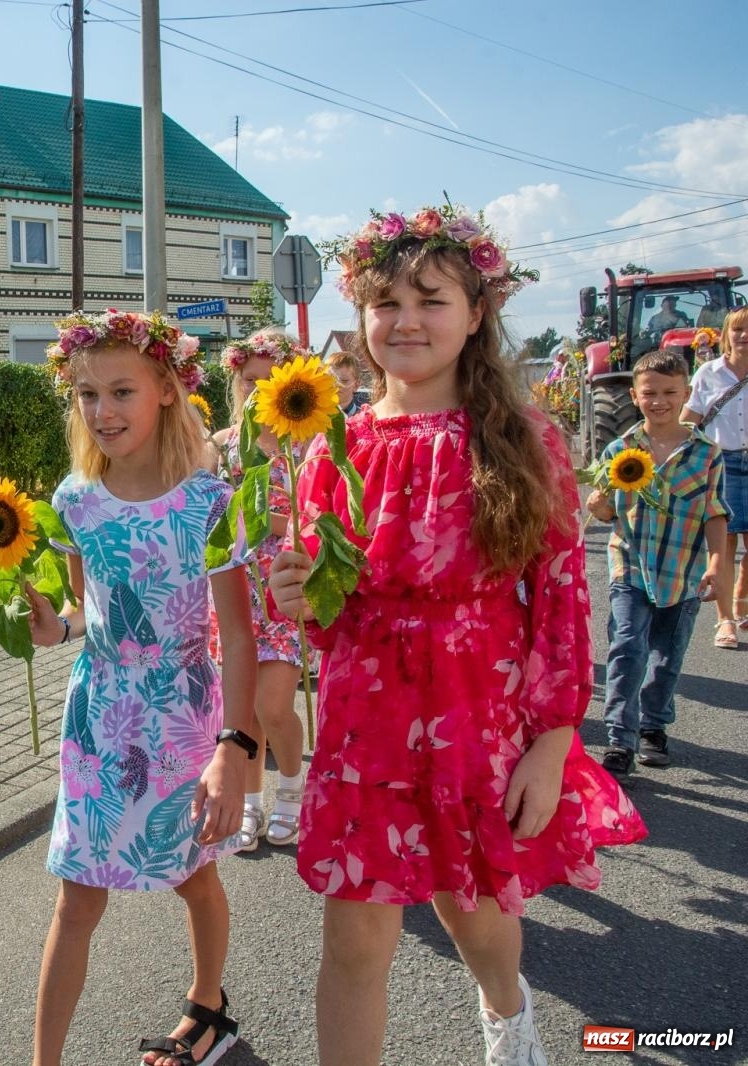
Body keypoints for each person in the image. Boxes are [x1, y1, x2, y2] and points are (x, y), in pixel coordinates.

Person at [272, 206, 647, 1066]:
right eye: (385, 302)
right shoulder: (331, 446)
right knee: (355, 943)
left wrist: (554, 742)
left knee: (476, 917)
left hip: (480, 717)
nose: (405, 320)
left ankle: (507, 1017)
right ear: (361, 316)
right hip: (366, 718)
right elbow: (326, 608)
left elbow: (560, 599)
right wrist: (298, 596)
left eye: (431, 299)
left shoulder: (524, 441)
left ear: (476, 313)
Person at [25, 309, 258, 1066]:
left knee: (193, 876)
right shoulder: (74, 501)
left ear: (166, 388)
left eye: (120, 391)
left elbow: (240, 638)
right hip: (98, 721)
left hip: (183, 718)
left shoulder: (208, 506)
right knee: (77, 893)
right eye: (87, 395)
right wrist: (48, 627)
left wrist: (234, 749)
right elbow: (78, 612)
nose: (102, 412)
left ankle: (209, 1006)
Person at [586, 351, 730, 770]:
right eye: (650, 392)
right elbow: (611, 510)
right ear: (634, 395)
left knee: (667, 656)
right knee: (627, 647)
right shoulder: (619, 449)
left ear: (686, 393)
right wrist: (600, 508)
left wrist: (718, 563)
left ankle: (653, 725)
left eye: (670, 392)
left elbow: (715, 513)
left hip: (682, 570)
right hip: (630, 565)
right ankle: (619, 738)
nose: (659, 400)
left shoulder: (707, 454)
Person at [209, 331, 307, 851]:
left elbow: (315, 518)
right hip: (232, 596)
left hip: (284, 591)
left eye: (271, 382)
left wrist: (261, 518)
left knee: (273, 705)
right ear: (236, 381)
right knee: (241, 710)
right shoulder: (219, 448)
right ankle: (250, 802)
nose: (258, 391)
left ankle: (292, 791)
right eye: (250, 381)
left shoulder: (305, 446)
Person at [682, 304, 748, 644]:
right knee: (724, 543)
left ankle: (741, 600)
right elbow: (687, 420)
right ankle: (726, 622)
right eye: (737, 328)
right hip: (724, 464)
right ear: (726, 335)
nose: (744, 335)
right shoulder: (708, 373)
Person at [324, 348, 369, 416]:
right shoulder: (315, 418)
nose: (336, 385)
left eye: (344, 380)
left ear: (356, 385)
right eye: (330, 380)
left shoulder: (365, 420)